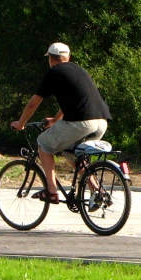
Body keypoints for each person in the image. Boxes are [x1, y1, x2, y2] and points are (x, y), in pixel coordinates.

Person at [11, 43, 112, 204]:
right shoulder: (79, 70)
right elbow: (74, 101)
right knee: (72, 154)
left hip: (81, 123)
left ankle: (51, 191)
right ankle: (97, 191)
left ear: (51, 59)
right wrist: (56, 120)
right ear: (68, 57)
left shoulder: (54, 73)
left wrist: (21, 123)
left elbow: (34, 103)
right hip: (101, 121)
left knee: (43, 143)